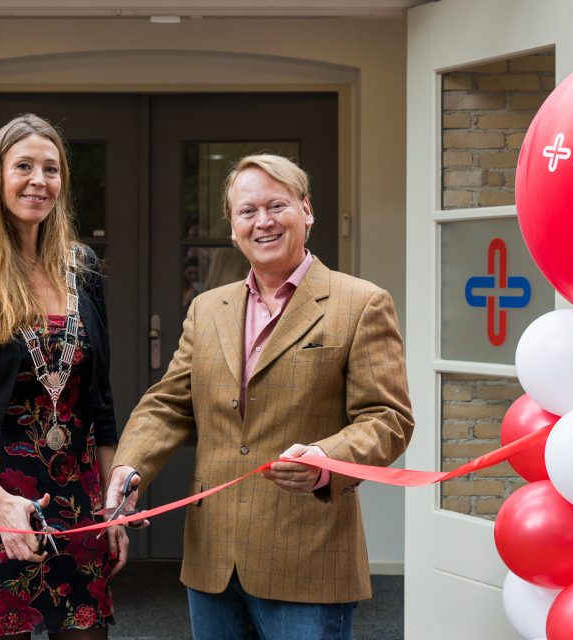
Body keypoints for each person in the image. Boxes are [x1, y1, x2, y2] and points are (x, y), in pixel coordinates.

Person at [107, 154, 414, 640]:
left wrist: (325, 458)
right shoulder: (207, 308)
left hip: (307, 558)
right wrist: (130, 467)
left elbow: (387, 418)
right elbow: (169, 403)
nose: (263, 221)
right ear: (233, 228)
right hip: (212, 560)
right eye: (247, 211)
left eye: (277, 205)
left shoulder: (361, 303)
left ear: (306, 210)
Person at [0, 114, 127, 639]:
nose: (39, 180)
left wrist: (113, 505)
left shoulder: (82, 270)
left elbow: (100, 403)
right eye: (24, 166)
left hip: (76, 496)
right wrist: (0, 505)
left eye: (51, 169)